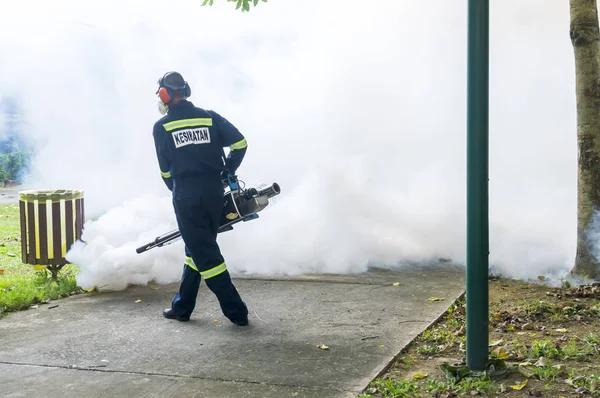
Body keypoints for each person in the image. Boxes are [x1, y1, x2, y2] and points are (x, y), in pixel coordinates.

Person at [152, 71, 249, 326]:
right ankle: (182, 307)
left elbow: (165, 171)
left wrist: (181, 190)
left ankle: (237, 312)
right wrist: (228, 170)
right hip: (215, 193)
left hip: (187, 196)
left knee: (207, 257)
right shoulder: (209, 117)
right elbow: (240, 143)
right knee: (195, 249)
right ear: (187, 90)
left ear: (164, 95)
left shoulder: (161, 127)